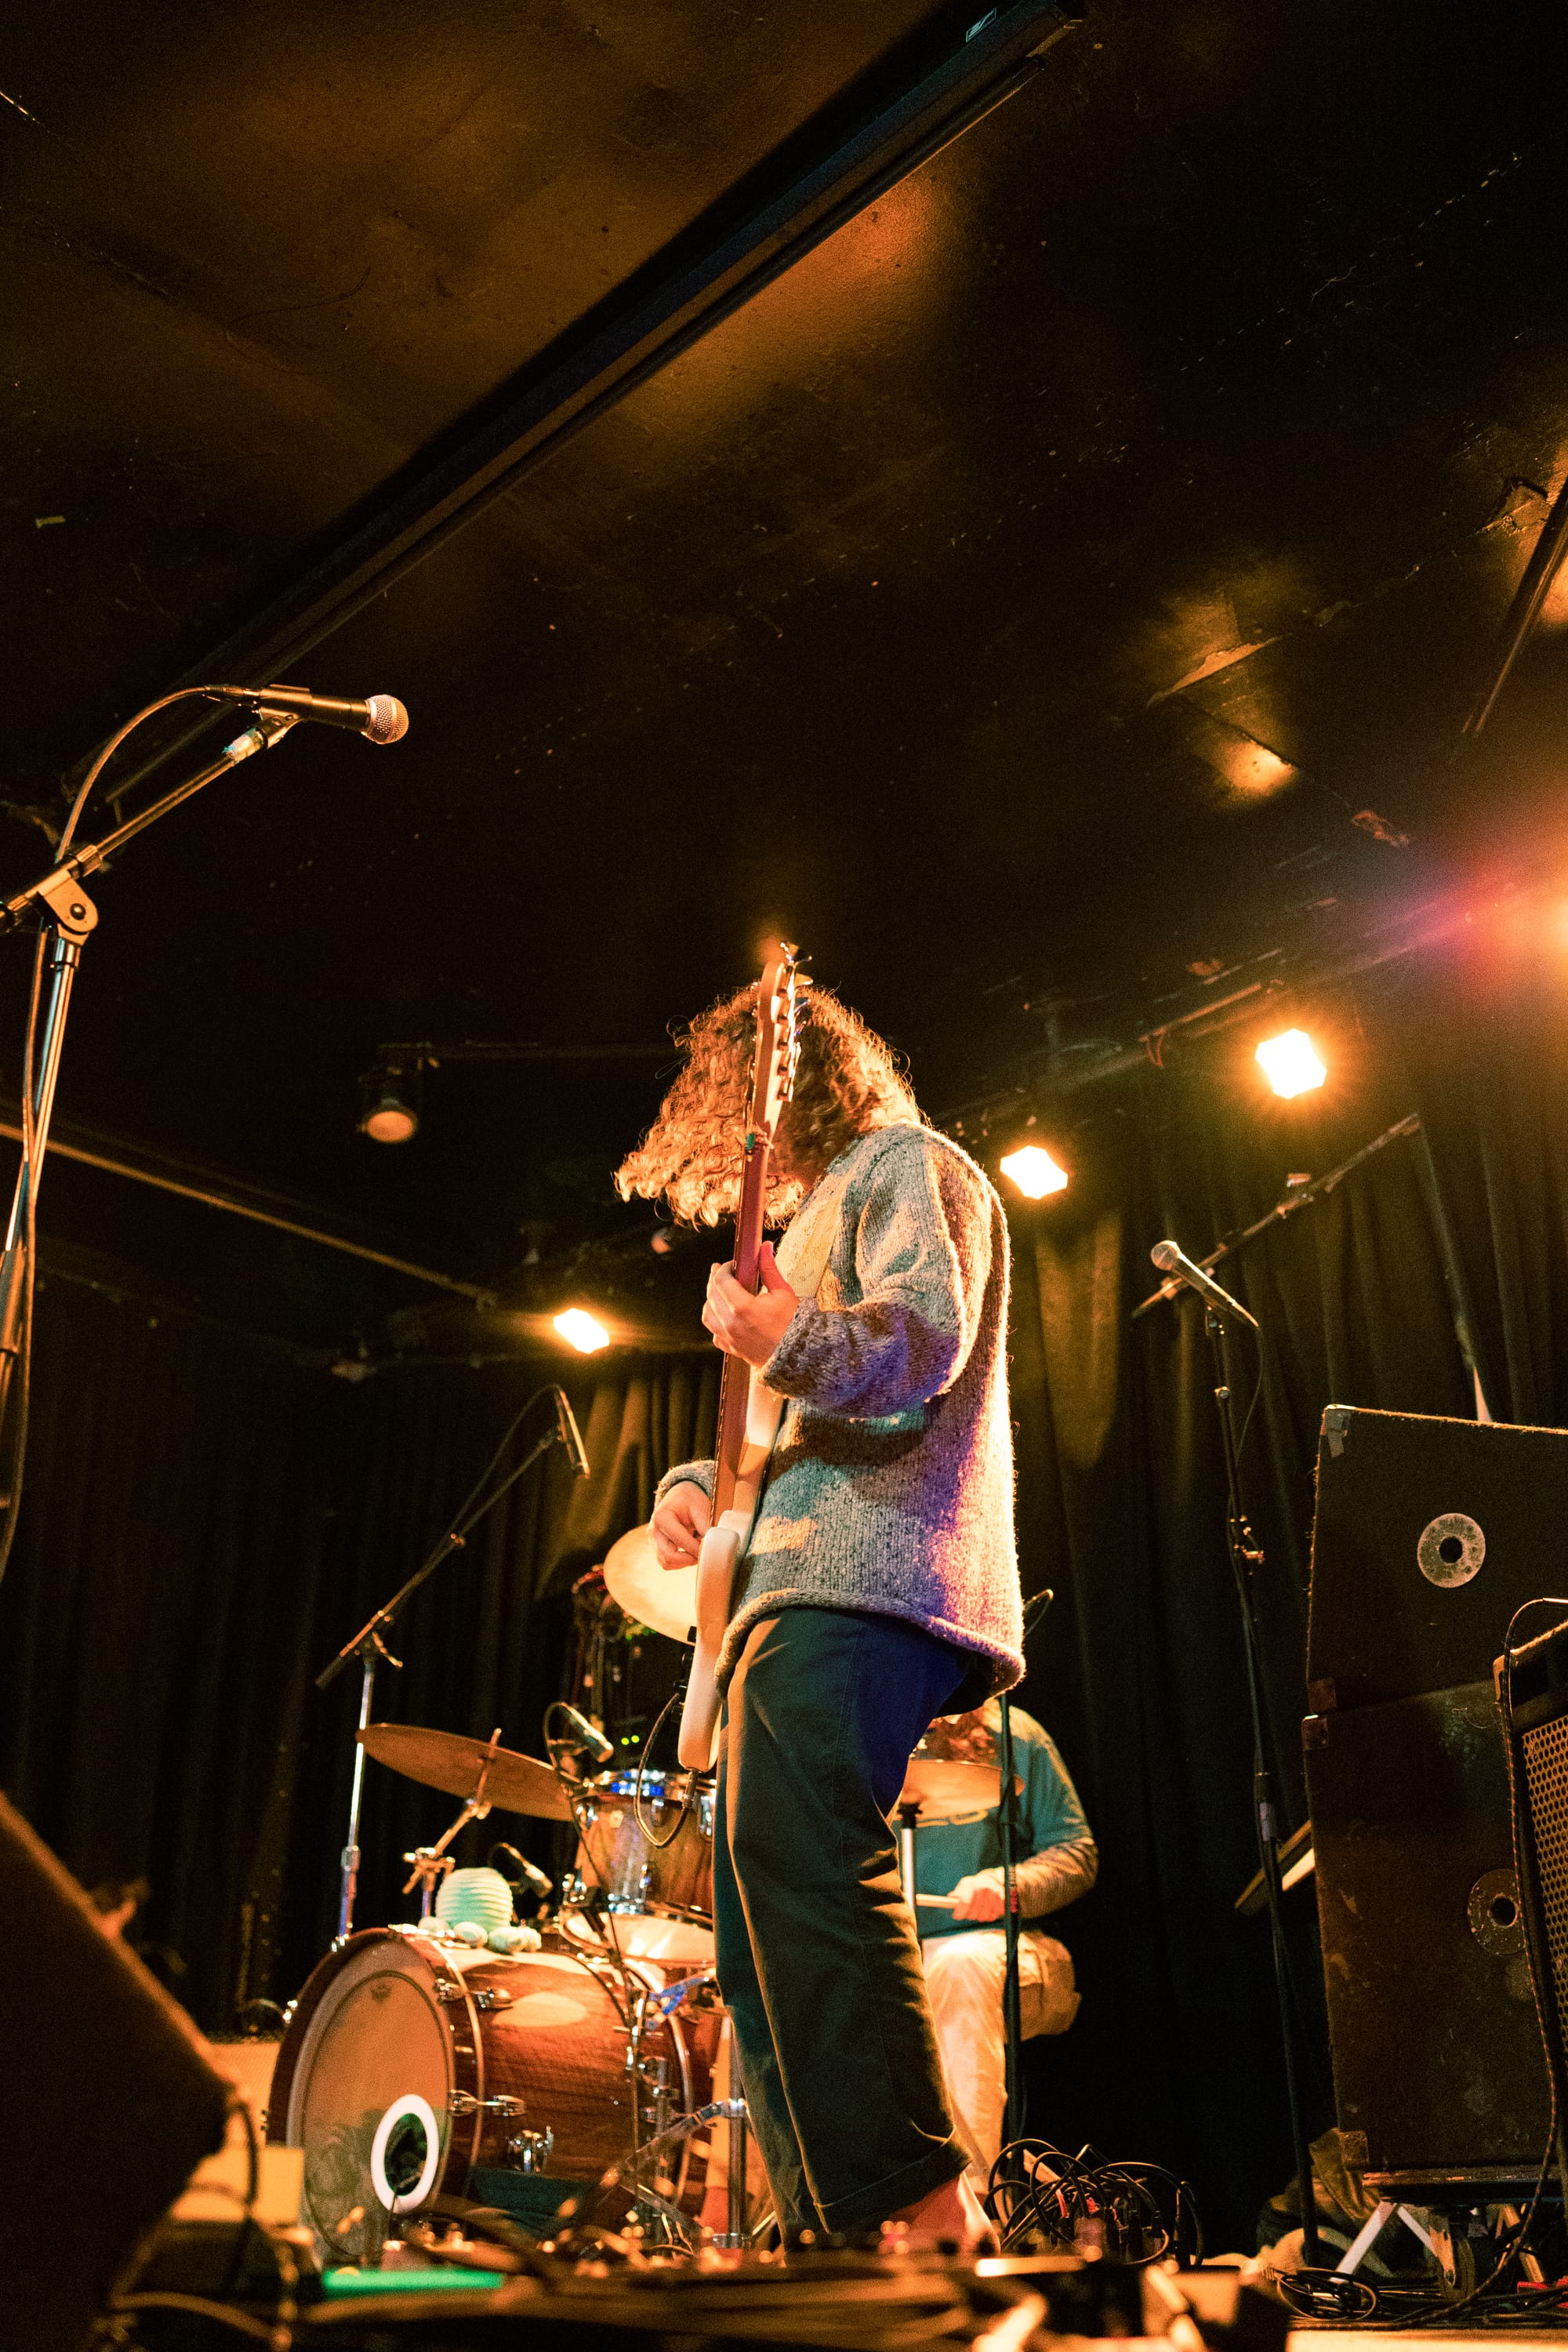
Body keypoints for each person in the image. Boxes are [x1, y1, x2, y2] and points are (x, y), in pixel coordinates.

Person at [617, 975, 1024, 2249]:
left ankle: (923, 2212)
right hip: (791, 1577)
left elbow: (920, 1346)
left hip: (868, 1573)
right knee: (759, 1921)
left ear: (791, 1082)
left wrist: (784, 1338)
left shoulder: (909, 1164)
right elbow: (780, 1437)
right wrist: (694, 1490)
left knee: (811, 1877)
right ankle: (838, 2232)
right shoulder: (811, 1225)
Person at [912, 1700, 1096, 2195]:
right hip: (903, 1958)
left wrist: (1007, 1884)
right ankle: (743, 2213)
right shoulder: (860, 1733)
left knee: (957, 1963)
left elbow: (1077, 1853)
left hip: (1014, 1952)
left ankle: (971, 2201)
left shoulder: (1016, 1735)